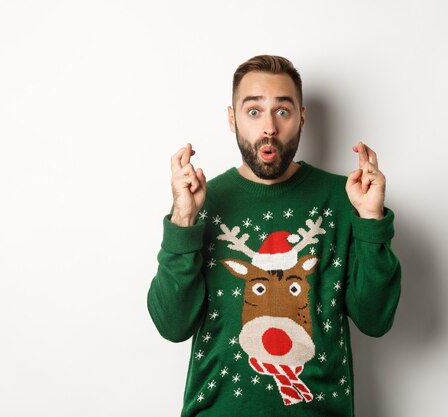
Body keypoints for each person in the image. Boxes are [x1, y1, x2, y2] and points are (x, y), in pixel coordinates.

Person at [147, 55, 401, 417]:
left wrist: (372, 219)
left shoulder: (346, 199)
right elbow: (172, 325)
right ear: (232, 119)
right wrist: (183, 219)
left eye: (282, 111)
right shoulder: (200, 202)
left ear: (302, 117)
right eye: (253, 112)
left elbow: (376, 320)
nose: (268, 127)